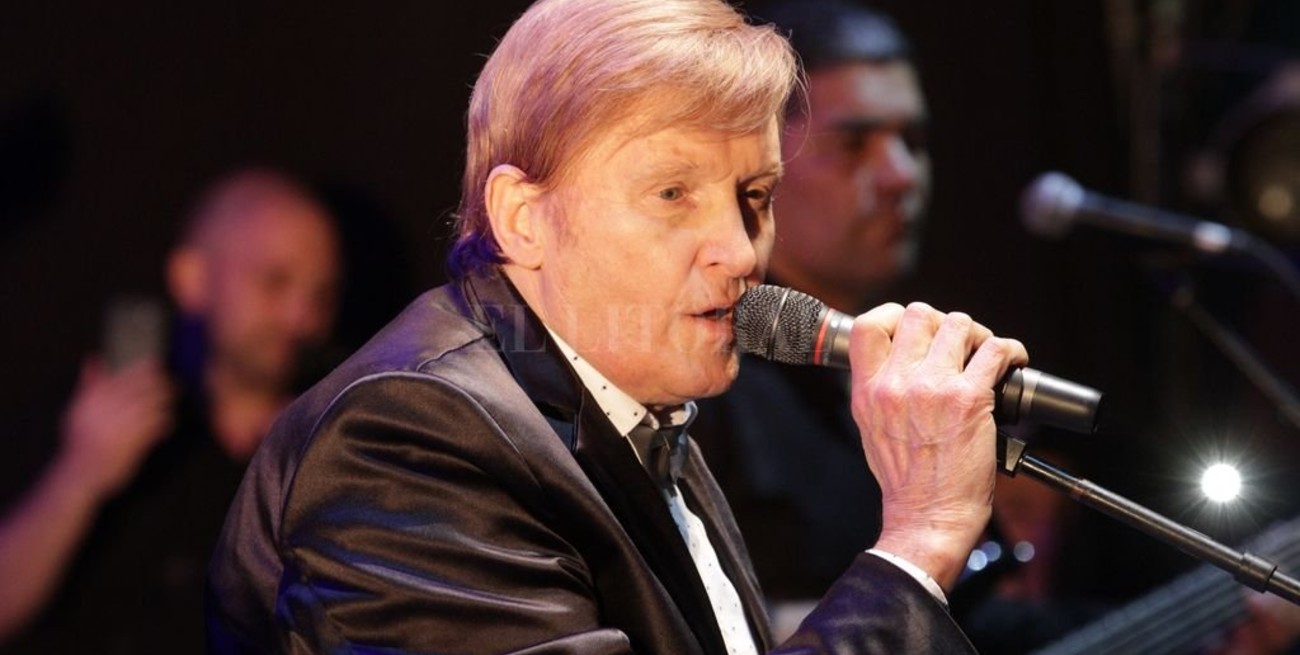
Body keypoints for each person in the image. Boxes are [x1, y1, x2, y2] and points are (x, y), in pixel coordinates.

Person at [206, 0, 1029, 652]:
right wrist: (917, 544)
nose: (742, 250)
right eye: (673, 193)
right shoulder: (411, 436)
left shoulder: (635, 415)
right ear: (523, 217)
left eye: (755, 197)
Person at [0, 169, 342, 653]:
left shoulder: (329, 450)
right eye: (274, 282)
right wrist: (78, 477)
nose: (300, 317)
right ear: (191, 278)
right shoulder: (93, 419)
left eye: (321, 294)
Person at [689, 0, 932, 635]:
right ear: (762, 166)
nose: (901, 175)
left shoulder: (897, 356)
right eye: (854, 144)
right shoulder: (704, 376)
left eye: (912, 142)